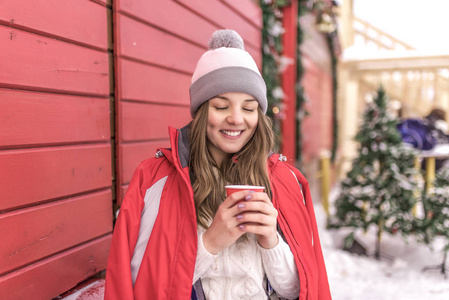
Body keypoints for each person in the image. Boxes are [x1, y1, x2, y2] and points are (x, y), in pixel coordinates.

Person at [104, 29, 331, 300]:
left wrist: (270, 240)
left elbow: (301, 289)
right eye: (221, 106)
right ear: (201, 112)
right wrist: (210, 242)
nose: (236, 119)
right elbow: (139, 286)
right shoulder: (155, 180)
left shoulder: (284, 179)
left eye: (248, 108)